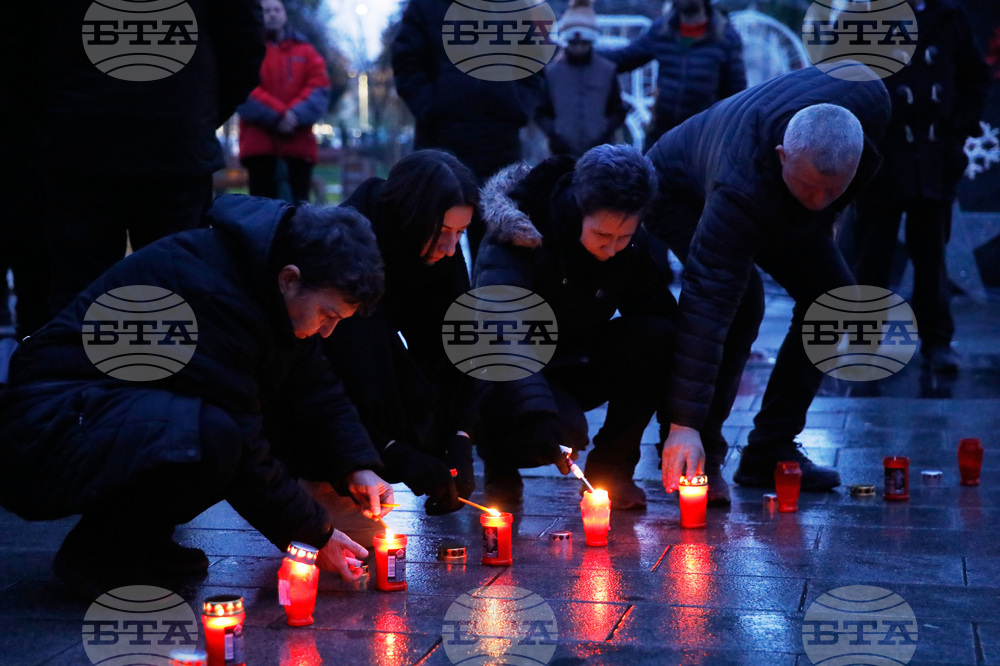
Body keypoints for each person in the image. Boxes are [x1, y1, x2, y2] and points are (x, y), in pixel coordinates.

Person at [0, 196, 394, 599]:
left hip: (101, 412)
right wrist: (316, 534)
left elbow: (315, 386)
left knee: (218, 429)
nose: (327, 331)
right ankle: (98, 553)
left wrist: (355, 465)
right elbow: (242, 446)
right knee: (213, 436)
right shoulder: (217, 295)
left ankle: (142, 539)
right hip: (48, 430)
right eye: (327, 315)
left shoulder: (271, 286)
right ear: (290, 279)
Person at [650, 64, 891, 504]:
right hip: (678, 188)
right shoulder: (739, 188)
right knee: (740, 301)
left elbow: (825, 191)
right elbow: (706, 304)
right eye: (808, 189)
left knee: (834, 300)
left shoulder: (871, 100)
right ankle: (699, 451)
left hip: (769, 188)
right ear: (783, 155)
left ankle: (769, 449)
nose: (817, 202)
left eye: (831, 192)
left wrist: (826, 214)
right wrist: (684, 425)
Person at [474, 144, 675, 510]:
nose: (613, 248)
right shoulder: (520, 234)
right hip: (504, 368)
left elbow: (655, 312)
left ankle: (611, 471)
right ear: (578, 207)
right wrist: (537, 412)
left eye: (624, 237)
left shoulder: (628, 246)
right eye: (602, 236)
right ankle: (499, 465)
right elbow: (499, 332)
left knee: (659, 337)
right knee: (557, 431)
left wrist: (681, 423)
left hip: (574, 357)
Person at [38, 0, 266, 319]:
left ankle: (75, 366)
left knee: (78, 296)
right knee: (176, 293)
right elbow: (244, 38)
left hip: (83, 130)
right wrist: (199, 112)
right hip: (174, 134)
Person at [323, 150, 480, 516]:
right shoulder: (350, 249)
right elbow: (336, 369)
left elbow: (463, 346)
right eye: (442, 232)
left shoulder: (443, 254)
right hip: (330, 405)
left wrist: (461, 434)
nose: (450, 248)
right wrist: (389, 449)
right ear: (411, 216)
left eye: (461, 233)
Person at [852, 0, 990, 373]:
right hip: (881, 157)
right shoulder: (866, 13)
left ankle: (937, 343)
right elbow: (844, 78)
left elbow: (975, 75)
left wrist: (956, 129)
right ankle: (864, 342)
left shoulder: (949, 14)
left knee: (931, 254)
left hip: (934, 156)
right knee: (873, 253)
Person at [391, 0, 543, 254]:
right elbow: (407, 61)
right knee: (434, 235)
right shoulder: (426, 6)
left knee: (501, 241)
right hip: (442, 139)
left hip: (499, 141)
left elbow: (534, 62)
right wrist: (431, 108)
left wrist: (518, 106)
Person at [603, 0, 746, 151]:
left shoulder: (726, 37)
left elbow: (736, 96)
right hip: (660, 138)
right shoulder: (662, 31)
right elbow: (623, 59)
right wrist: (582, 51)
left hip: (703, 143)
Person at [238, 0, 332, 203]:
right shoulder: (246, 49)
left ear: (284, 15)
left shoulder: (306, 52)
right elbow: (242, 88)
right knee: (262, 214)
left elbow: (320, 88)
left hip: (299, 149)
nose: (272, 14)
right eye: (266, 10)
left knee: (299, 214)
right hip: (259, 151)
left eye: (276, 10)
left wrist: (293, 116)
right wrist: (279, 116)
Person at [535, 0, 628, 158]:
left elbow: (617, 110)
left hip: (599, 155)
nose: (578, 47)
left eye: (583, 43)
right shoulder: (552, 73)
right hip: (561, 156)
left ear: (591, 41)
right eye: (573, 43)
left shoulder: (607, 70)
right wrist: (554, 134)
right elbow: (541, 112)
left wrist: (605, 131)